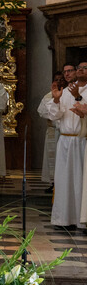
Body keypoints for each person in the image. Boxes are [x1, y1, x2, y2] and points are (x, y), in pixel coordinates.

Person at [48, 64, 87, 229]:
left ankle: (82, 220)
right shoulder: (65, 91)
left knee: (81, 181)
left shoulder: (81, 92)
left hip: (82, 141)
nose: (80, 70)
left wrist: (79, 97)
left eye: (84, 68)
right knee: (64, 180)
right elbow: (54, 115)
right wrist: (56, 100)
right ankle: (63, 219)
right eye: (78, 68)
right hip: (65, 141)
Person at [37, 71, 64, 187]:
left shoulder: (68, 94)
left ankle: (62, 183)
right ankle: (53, 184)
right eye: (56, 79)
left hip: (65, 133)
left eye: (60, 79)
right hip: (53, 130)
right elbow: (41, 111)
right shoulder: (48, 96)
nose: (58, 82)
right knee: (52, 159)